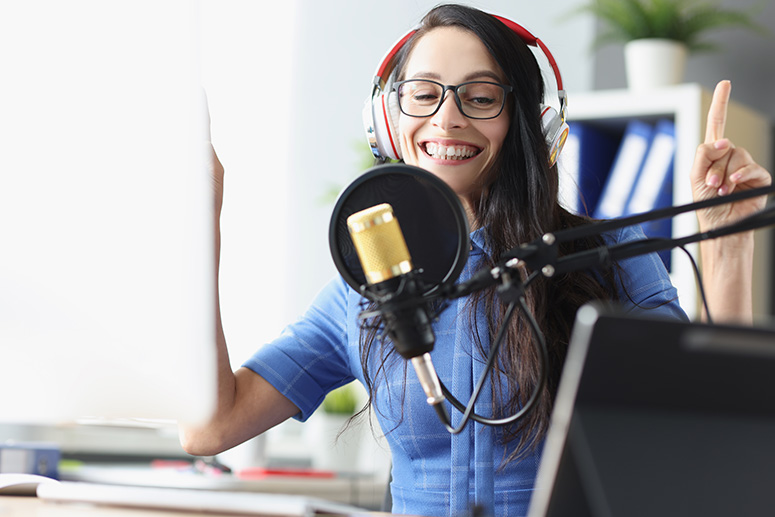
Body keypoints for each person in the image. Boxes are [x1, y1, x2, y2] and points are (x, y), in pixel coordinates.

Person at [181, 5, 771, 516]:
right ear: (388, 120)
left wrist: (727, 244)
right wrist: (199, 228)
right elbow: (211, 426)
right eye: (423, 93)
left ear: (531, 124)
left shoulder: (605, 257)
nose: (446, 116)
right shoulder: (366, 286)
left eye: (480, 97)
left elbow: (713, 432)